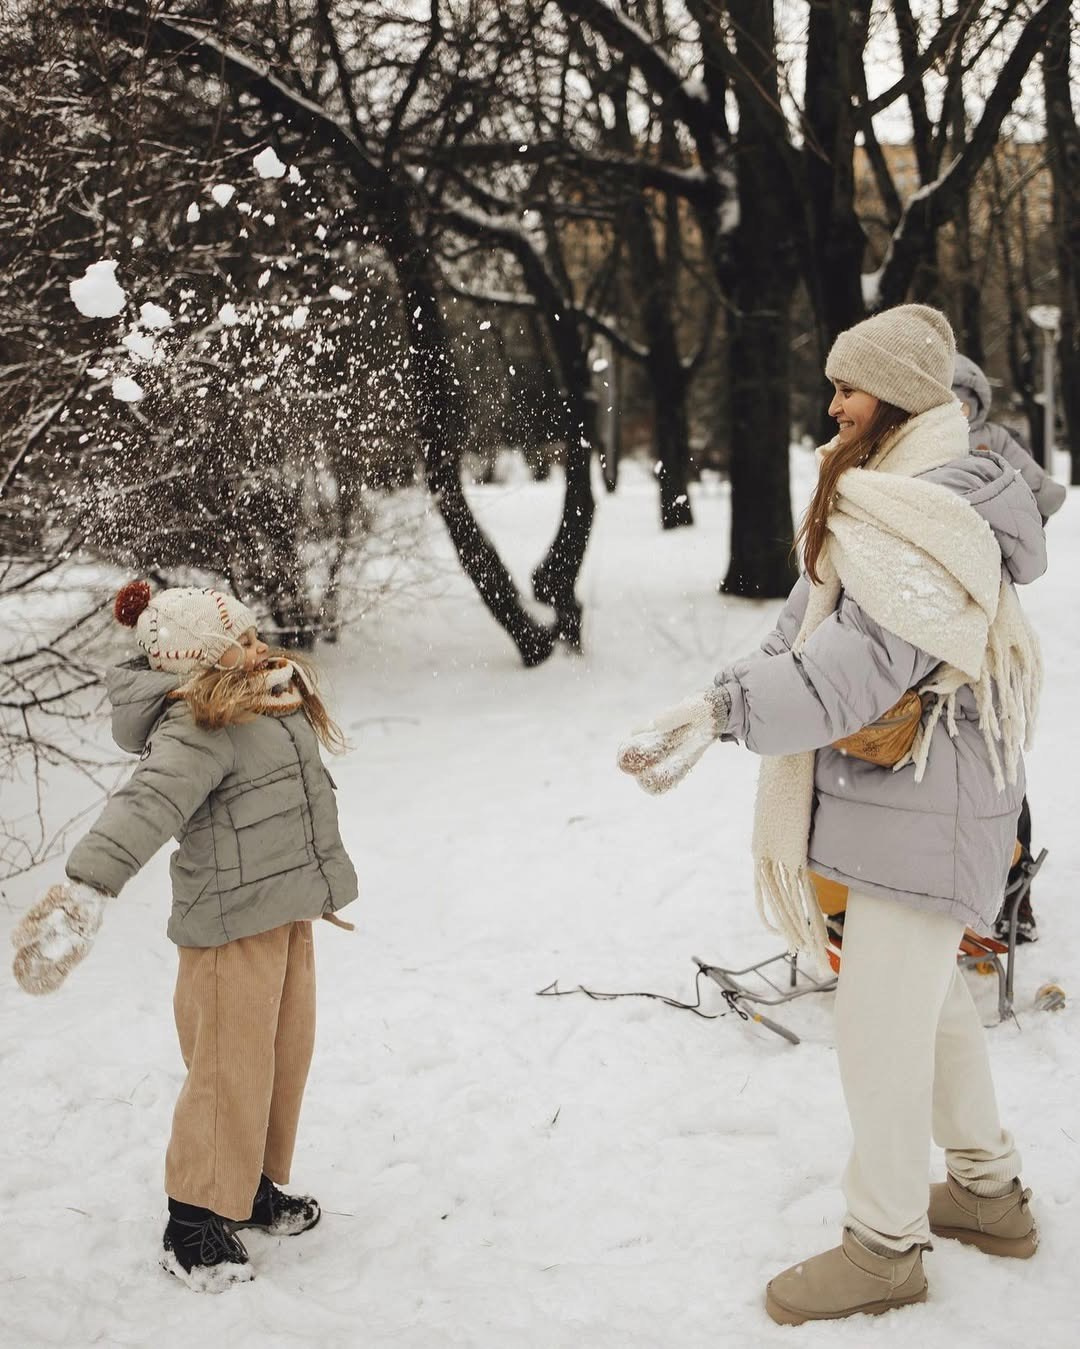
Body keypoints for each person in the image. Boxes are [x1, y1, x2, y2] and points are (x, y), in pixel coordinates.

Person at [618, 305, 1043, 1325]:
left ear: (892, 397)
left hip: (928, 801)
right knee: (927, 1009)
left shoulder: (932, 510)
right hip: (911, 798)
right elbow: (808, 626)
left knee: (879, 1030)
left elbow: (860, 664)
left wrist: (731, 711)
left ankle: (886, 1245)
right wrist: (720, 692)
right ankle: (987, 1193)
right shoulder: (890, 498)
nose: (832, 403)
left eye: (848, 386)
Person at [12, 582, 358, 1293]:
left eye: (257, 635)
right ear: (202, 659)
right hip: (229, 927)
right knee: (228, 1068)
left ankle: (245, 1185)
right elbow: (147, 803)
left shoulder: (265, 696)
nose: (260, 649)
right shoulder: (198, 725)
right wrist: (88, 885)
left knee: (277, 1059)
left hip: (282, 914)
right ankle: (193, 1219)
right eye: (243, 643)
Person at [953, 351, 1065, 943]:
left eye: (963, 399)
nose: (955, 410)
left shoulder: (993, 439)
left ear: (978, 402)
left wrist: (1002, 479)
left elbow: (1048, 497)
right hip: (928, 605)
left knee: (992, 750)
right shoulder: (912, 444)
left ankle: (1013, 885)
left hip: (989, 609)